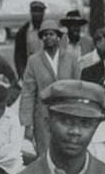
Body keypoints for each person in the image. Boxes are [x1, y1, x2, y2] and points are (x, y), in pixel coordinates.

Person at [18, 19, 80, 159]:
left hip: (66, 114)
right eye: (44, 35)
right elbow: (28, 92)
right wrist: (27, 124)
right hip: (43, 116)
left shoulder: (70, 58)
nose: (48, 37)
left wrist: (76, 113)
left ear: (58, 36)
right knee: (45, 155)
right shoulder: (34, 61)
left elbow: (78, 87)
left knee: (66, 153)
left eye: (51, 34)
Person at [14, 0, 46, 77]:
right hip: (30, 70)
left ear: (43, 13)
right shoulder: (23, 31)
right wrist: (22, 74)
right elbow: (19, 56)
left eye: (40, 11)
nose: (37, 14)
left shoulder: (48, 29)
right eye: (34, 11)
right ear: (31, 12)